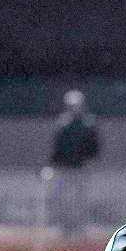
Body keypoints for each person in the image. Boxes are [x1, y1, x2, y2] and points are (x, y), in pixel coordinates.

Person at [44, 89, 100, 239]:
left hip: (81, 168)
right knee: (63, 199)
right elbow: (57, 147)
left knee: (80, 200)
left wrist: (91, 161)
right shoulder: (63, 124)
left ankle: (79, 229)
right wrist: (53, 164)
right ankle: (65, 228)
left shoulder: (88, 124)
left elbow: (94, 146)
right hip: (64, 168)